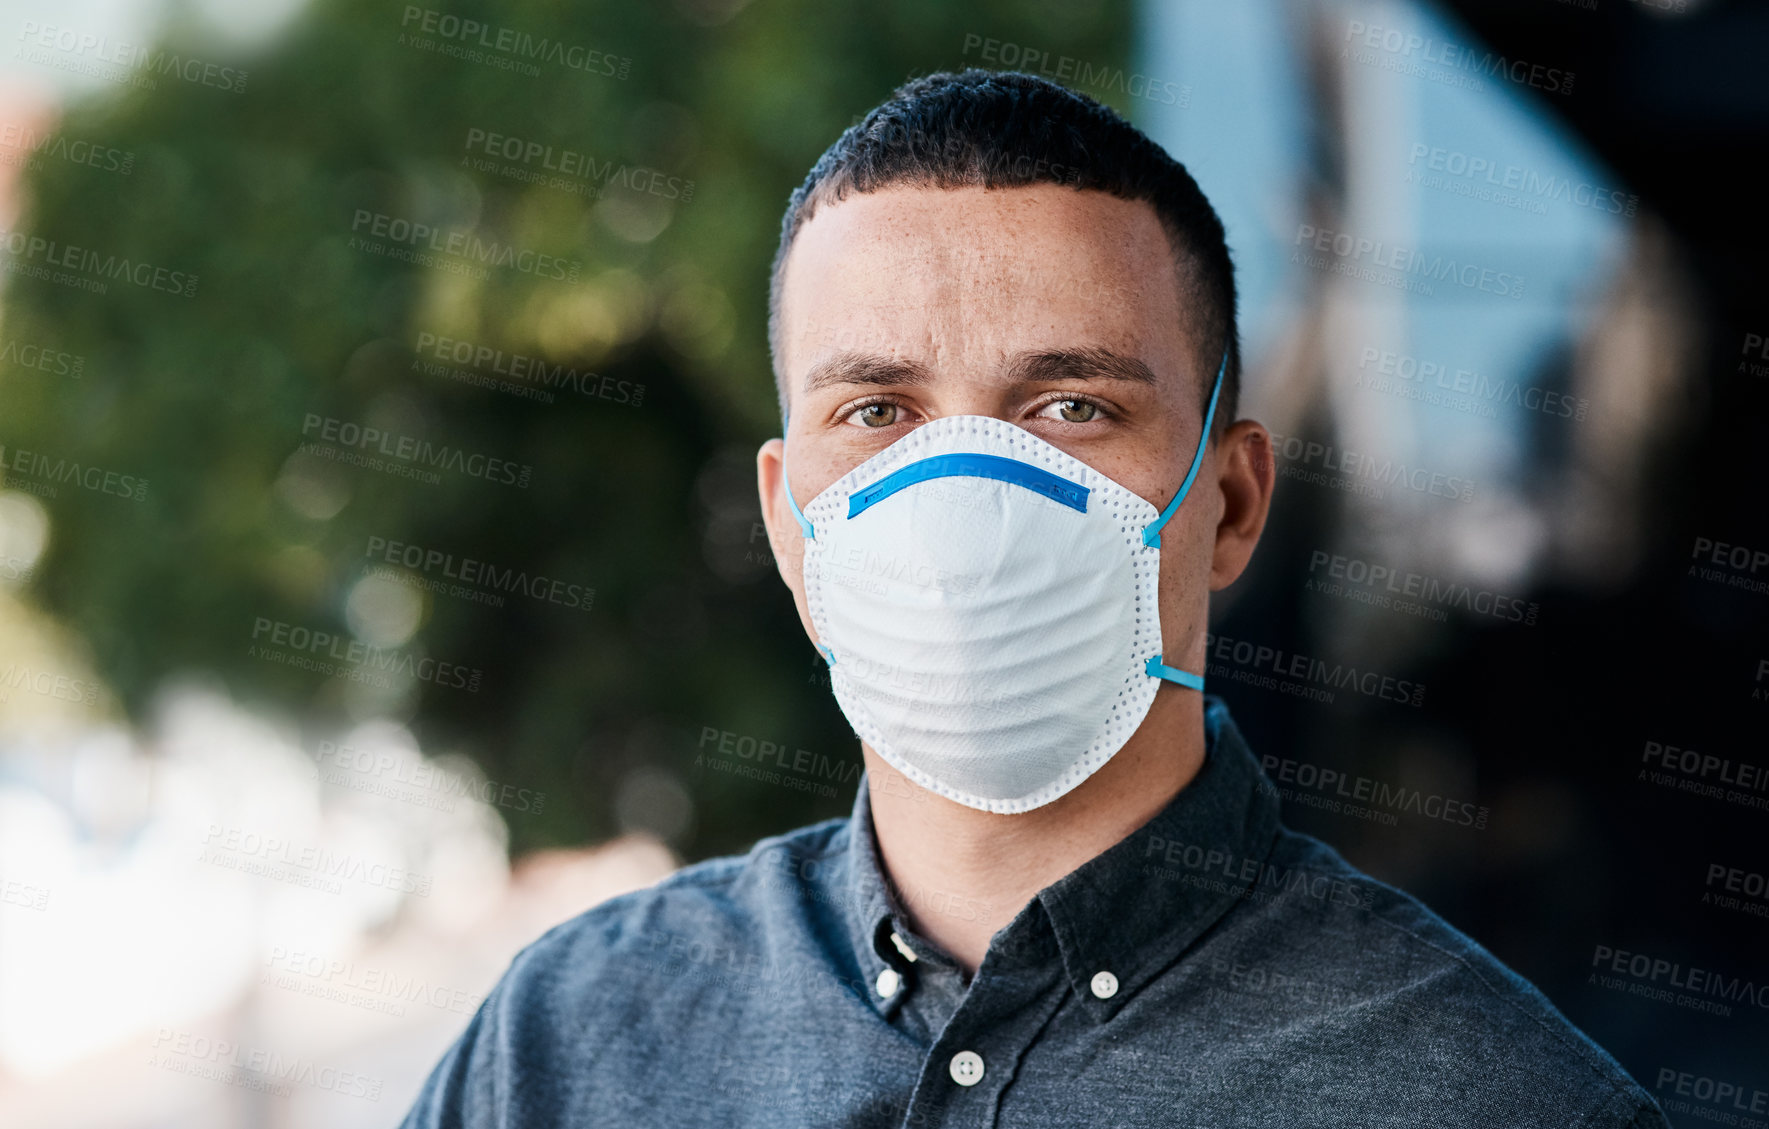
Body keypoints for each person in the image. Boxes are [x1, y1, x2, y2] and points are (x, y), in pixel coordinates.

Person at [400, 69, 1667, 1127]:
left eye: (1071, 407)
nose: (960, 497)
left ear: (1228, 502)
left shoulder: (1492, 1098)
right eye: (876, 412)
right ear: (788, 524)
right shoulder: (569, 1050)